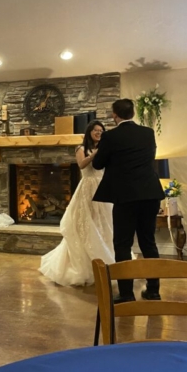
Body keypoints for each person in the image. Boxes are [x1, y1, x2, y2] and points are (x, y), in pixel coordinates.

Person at [92, 99, 165, 303]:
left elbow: (98, 164)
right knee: (148, 242)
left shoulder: (110, 136)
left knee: (123, 244)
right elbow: (148, 157)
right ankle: (153, 290)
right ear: (133, 113)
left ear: (115, 115)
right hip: (150, 193)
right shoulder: (148, 133)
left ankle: (126, 293)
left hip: (125, 196)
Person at [39, 121, 114, 286]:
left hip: (103, 187)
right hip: (87, 187)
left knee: (103, 224)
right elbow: (81, 164)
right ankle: (84, 265)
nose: (99, 133)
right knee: (85, 224)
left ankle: (106, 259)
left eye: (101, 131)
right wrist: (94, 154)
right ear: (89, 132)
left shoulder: (105, 148)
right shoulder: (81, 148)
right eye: (96, 130)